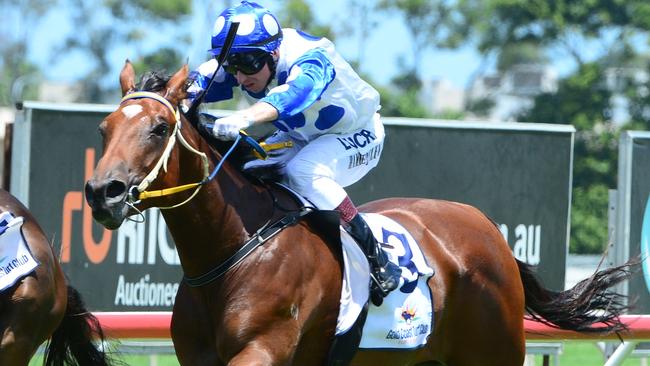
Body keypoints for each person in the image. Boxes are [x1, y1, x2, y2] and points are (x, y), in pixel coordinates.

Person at [187, 1, 400, 300]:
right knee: (247, 170)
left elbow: (295, 93)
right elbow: (195, 84)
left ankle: (377, 259)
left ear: (274, 52)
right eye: (232, 66)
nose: (240, 77)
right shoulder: (254, 55)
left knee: (303, 171)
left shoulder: (311, 58)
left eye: (247, 64)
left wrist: (244, 118)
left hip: (357, 134)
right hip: (300, 136)